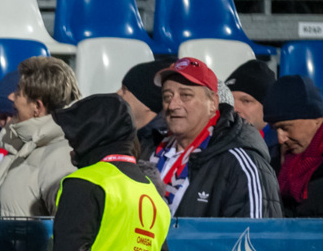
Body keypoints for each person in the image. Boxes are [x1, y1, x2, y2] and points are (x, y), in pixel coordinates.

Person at [34, 94, 178, 251]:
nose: (69, 140)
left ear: (93, 135)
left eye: (74, 133)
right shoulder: (153, 194)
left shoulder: (85, 182)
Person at [149, 57, 280, 218]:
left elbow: (255, 237)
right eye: (167, 96)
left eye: (186, 95)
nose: (173, 105)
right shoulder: (149, 147)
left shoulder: (241, 163)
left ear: (213, 103)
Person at [0, 57, 81, 217]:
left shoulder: (61, 159)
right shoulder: (24, 145)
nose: (11, 97)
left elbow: (71, 228)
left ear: (37, 107)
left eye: (18, 92)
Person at [267, 74, 323, 217]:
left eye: (286, 127)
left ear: (316, 119)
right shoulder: (274, 160)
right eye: (275, 129)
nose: (281, 139)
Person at [225, 58, 281, 167]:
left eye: (246, 101)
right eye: (229, 100)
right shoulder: (214, 141)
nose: (234, 109)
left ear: (267, 106)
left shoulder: (281, 150)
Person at [119, 56, 172, 158]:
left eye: (124, 90)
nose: (118, 94)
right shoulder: (135, 139)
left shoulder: (160, 150)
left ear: (146, 102)